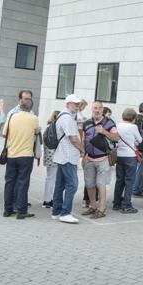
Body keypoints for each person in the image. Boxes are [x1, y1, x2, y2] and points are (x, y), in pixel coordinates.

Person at [1, 96, 41, 219]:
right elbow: (36, 132)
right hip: (26, 155)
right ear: (31, 107)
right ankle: (21, 210)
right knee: (23, 183)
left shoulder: (12, 116)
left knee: (9, 182)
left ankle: (7, 209)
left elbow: (4, 133)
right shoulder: (34, 118)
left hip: (12, 154)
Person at [82, 101, 117, 219]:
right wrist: (83, 155)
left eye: (99, 108)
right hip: (89, 158)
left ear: (102, 110)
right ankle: (93, 206)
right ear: (92, 109)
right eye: (94, 108)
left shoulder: (109, 123)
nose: (96, 110)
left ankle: (101, 209)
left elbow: (116, 137)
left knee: (101, 184)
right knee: (89, 184)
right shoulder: (87, 123)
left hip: (103, 158)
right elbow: (83, 139)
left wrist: (104, 132)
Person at [51, 95, 84, 223]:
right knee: (72, 184)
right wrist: (83, 150)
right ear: (67, 104)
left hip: (63, 155)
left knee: (60, 184)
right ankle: (65, 213)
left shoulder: (64, 116)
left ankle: (56, 211)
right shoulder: (67, 118)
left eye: (78, 104)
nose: (77, 106)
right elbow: (73, 139)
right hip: (68, 156)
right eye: (74, 104)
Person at [112, 108, 142, 214]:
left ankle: (116, 203)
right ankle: (126, 205)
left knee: (119, 180)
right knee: (129, 181)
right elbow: (140, 140)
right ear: (133, 118)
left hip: (119, 155)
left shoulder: (118, 125)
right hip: (130, 156)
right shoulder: (133, 127)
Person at [41, 111, 60, 208]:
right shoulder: (57, 128)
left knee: (49, 178)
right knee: (52, 179)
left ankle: (47, 199)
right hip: (55, 157)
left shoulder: (48, 128)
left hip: (48, 157)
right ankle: (48, 200)